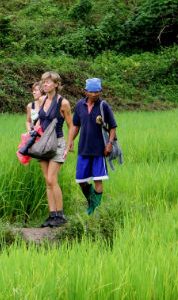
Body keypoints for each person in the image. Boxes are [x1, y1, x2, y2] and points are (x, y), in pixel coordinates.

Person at [68, 78, 117, 215]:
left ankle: (93, 209)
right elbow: (76, 125)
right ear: (85, 91)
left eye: (97, 92)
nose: (94, 94)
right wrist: (70, 140)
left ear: (100, 91)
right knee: (81, 180)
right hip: (83, 148)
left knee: (97, 179)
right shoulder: (79, 105)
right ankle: (92, 202)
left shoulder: (104, 106)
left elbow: (112, 127)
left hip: (99, 149)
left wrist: (109, 144)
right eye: (91, 92)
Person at [35, 71, 74, 228]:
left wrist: (69, 144)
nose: (45, 84)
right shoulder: (41, 99)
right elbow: (38, 121)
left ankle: (60, 215)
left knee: (52, 179)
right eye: (44, 82)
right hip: (42, 143)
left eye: (49, 82)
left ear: (57, 85)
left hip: (57, 142)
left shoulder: (63, 103)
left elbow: (71, 126)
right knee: (47, 181)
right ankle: (52, 215)